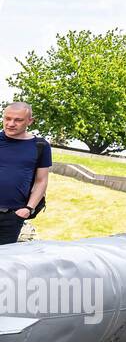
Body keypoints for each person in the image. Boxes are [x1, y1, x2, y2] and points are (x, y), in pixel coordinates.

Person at [0, 102, 52, 245]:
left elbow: (41, 181)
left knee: (4, 262)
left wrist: (28, 209)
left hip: (12, 217)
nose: (11, 123)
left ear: (30, 121)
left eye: (18, 120)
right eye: (7, 118)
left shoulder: (40, 146)